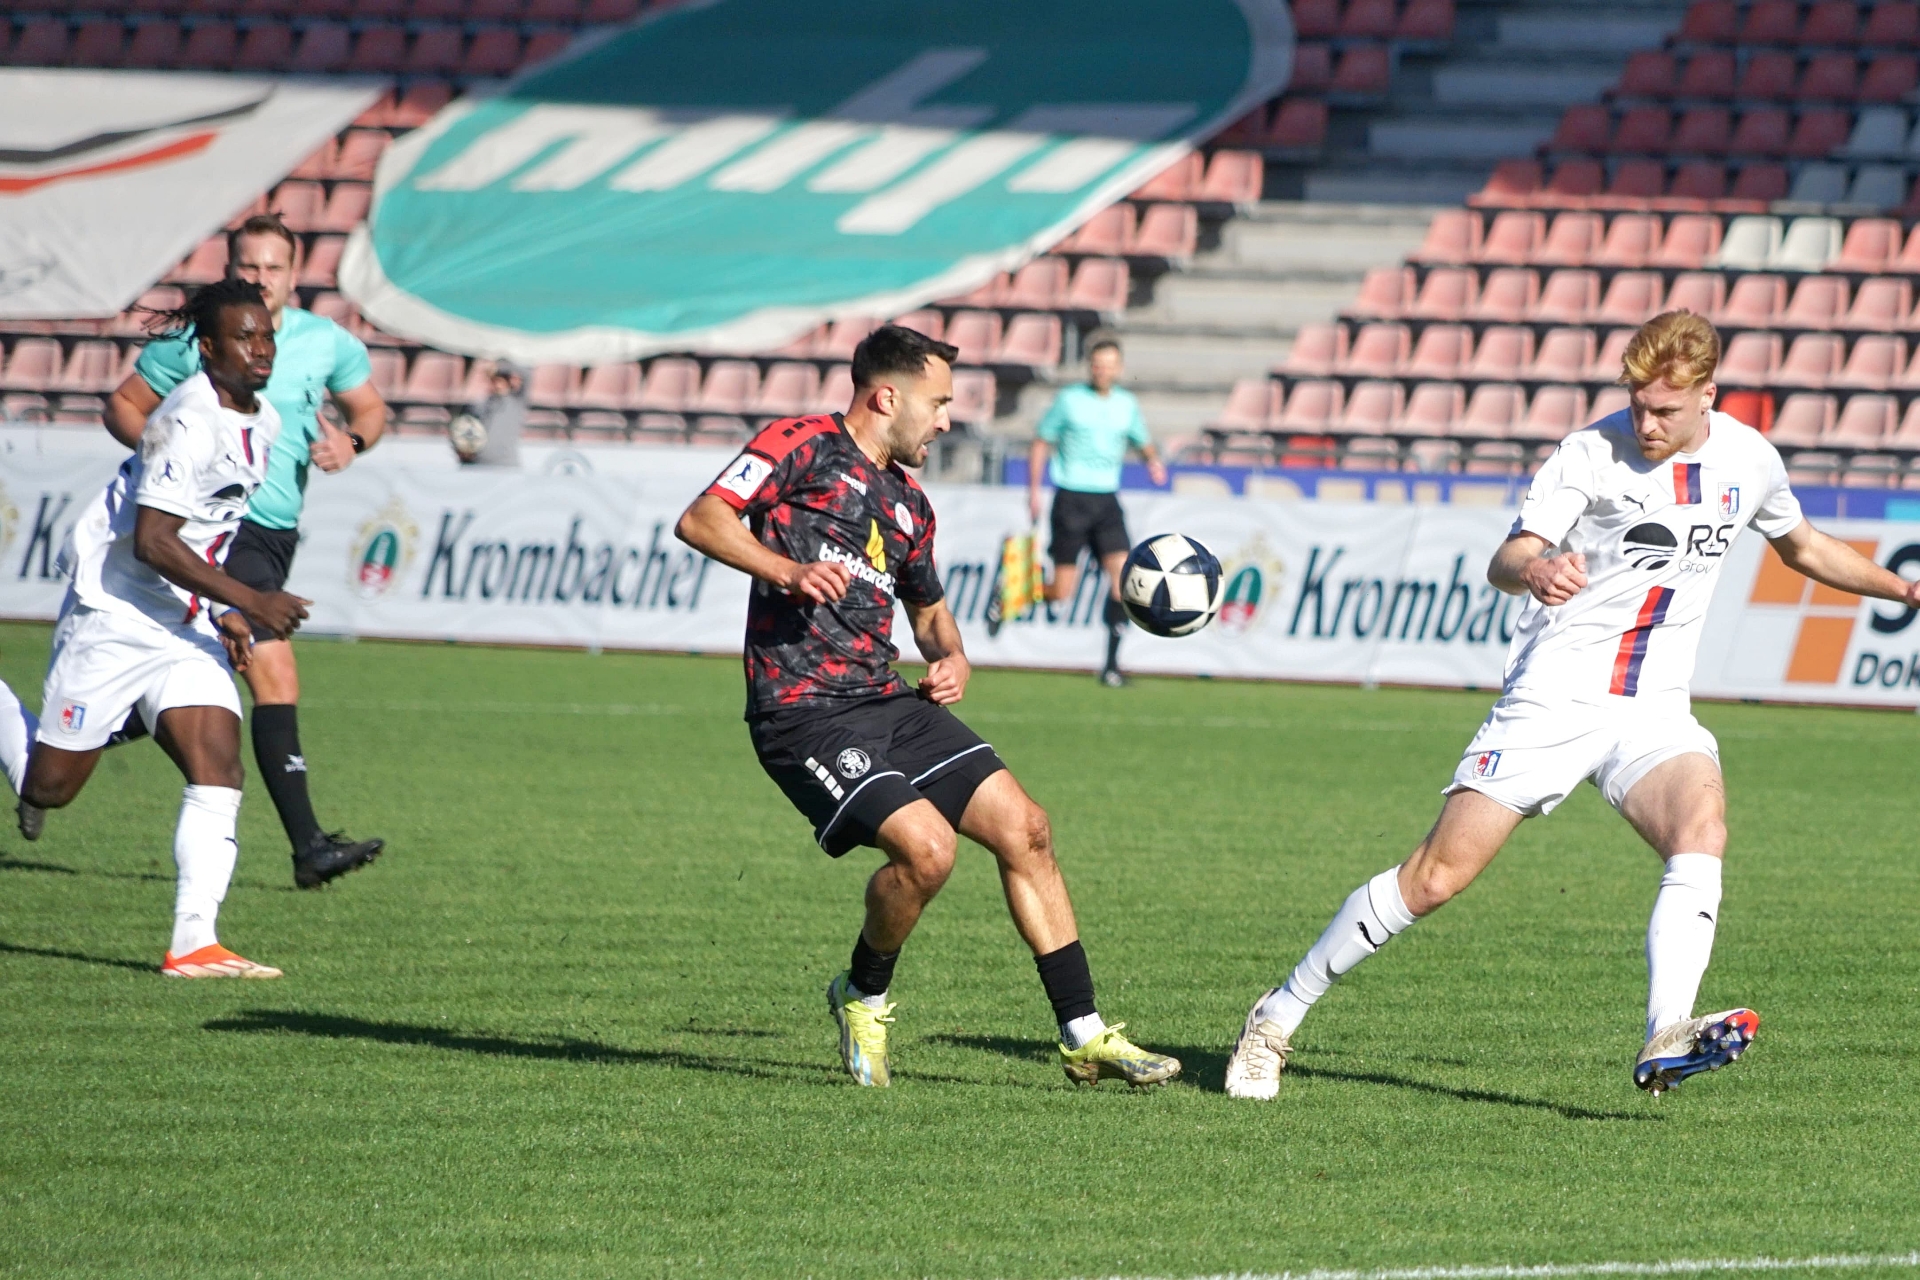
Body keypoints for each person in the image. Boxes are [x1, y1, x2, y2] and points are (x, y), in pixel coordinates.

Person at [1224, 310, 1920, 1100]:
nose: (1646, 423)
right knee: (1436, 879)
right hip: (1556, 696)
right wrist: (1536, 569)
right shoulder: (1590, 454)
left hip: (1653, 706)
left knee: (1701, 832)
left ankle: (1667, 1031)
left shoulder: (1749, 459)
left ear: (1708, 396)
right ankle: (1275, 1017)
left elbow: (1804, 547)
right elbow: (1509, 554)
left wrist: (1902, 588)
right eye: (1637, 405)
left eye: (1664, 410)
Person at [675, 324, 1180, 1090]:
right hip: (803, 711)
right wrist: (785, 569)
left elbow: (930, 612)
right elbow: (702, 518)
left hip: (886, 699)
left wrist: (953, 656)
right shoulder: (799, 444)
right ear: (887, 397)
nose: (947, 420)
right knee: (928, 852)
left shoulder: (909, 502)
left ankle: (1084, 1035)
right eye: (938, 402)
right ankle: (862, 994)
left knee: (1027, 828)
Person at [20, 280, 312, 976]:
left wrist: (223, 610)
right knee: (48, 787)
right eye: (244, 337)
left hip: (181, 620)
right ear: (208, 349)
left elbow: (210, 531)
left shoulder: (265, 421)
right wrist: (251, 598)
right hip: (116, 614)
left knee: (219, 766)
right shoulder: (190, 419)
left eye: (267, 335)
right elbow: (154, 541)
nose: (261, 349)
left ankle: (194, 943)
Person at [106, 213, 386, 889]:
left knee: (199, 670)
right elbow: (124, 406)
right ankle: (309, 847)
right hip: (221, 528)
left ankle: (65, 738)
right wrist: (170, 464)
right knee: (274, 673)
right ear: (231, 270)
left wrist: (351, 443)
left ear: (296, 274)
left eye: (273, 267)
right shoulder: (197, 343)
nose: (261, 278)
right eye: (249, 266)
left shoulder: (326, 343)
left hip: (276, 532)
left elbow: (370, 410)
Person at [1026, 338, 1167, 687]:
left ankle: (1111, 666)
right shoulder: (1069, 400)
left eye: (1109, 365)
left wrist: (1153, 462)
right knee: (1062, 591)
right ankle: (1019, 590)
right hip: (1071, 498)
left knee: (1124, 581)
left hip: (1106, 501)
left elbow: (1141, 439)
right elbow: (1041, 442)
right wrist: (1034, 491)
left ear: (1119, 368)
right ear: (1090, 366)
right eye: (1098, 364)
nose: (1103, 371)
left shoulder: (1126, 404)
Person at [456, 361, 526, 467]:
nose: (497, 385)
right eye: (494, 381)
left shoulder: (516, 402)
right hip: (480, 464)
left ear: (508, 383)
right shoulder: (479, 405)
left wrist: (501, 363)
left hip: (507, 465)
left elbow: (526, 375)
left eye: (500, 381)